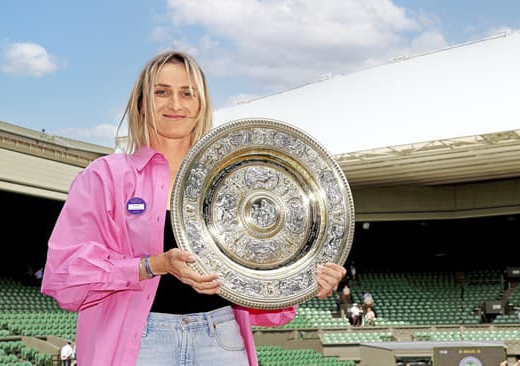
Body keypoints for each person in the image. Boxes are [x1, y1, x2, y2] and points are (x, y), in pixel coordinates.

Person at [40, 51, 346, 366]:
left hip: (221, 337)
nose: (175, 104)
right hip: (140, 345)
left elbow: (258, 286)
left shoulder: (235, 177)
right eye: (162, 92)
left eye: (188, 93)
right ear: (142, 102)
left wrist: (308, 281)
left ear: (201, 104)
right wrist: (154, 265)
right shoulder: (105, 176)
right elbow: (64, 277)